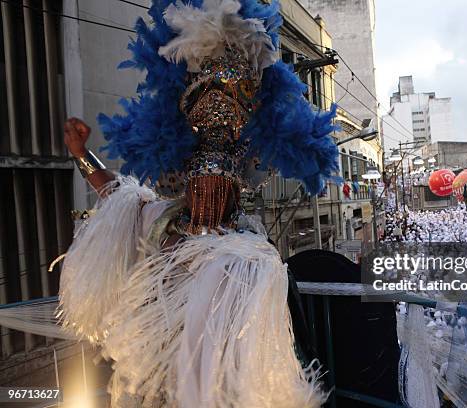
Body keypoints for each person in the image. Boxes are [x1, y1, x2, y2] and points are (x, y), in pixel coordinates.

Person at [58, 1, 339, 406]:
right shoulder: (162, 220)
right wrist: (80, 152)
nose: (208, 196)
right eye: (201, 185)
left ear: (235, 190)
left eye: (218, 187)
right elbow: (117, 195)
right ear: (185, 184)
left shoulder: (251, 256)